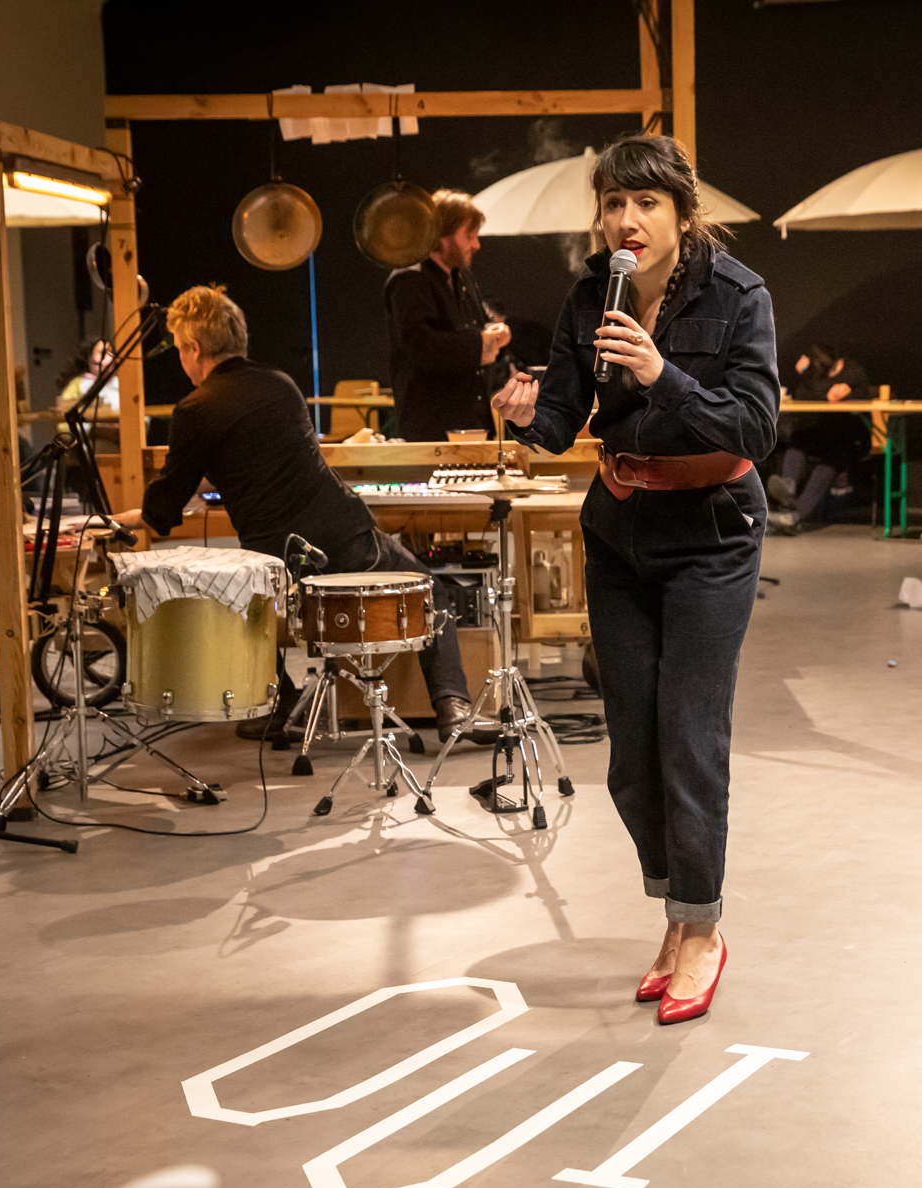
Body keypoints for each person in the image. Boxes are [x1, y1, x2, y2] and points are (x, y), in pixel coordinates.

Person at [492, 134, 779, 1025]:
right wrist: (521, 410)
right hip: (619, 530)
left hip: (711, 533)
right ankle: (677, 912)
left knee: (689, 735)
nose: (627, 219)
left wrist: (662, 375)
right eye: (614, 202)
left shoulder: (738, 296)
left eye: (647, 203)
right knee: (631, 752)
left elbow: (757, 427)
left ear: (682, 215)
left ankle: (702, 929)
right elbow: (561, 420)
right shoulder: (591, 296)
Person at [110, 286, 473, 743]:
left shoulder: (195, 409)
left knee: (244, 604)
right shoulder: (281, 386)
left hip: (276, 560)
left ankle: (278, 704)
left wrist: (137, 516)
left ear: (194, 349)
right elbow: (256, 455)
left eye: (181, 349)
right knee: (431, 591)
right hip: (343, 536)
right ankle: (453, 707)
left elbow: (168, 501)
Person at [383, 190, 512, 443]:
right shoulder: (409, 279)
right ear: (441, 234)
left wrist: (496, 333)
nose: (476, 245)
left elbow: (474, 327)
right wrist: (482, 341)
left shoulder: (461, 275)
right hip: (432, 428)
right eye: (469, 236)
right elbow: (422, 346)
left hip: (474, 420)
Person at [768, 343, 873, 533]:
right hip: (826, 433)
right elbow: (801, 395)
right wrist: (805, 374)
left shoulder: (853, 373)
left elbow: (865, 397)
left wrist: (848, 395)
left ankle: (795, 516)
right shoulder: (814, 374)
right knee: (799, 439)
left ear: (835, 363)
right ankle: (788, 491)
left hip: (852, 437)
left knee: (831, 459)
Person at [55, 339, 119, 416]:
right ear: (89, 359)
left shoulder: (121, 383)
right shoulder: (78, 385)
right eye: (103, 353)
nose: (110, 358)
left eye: (111, 352)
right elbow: (65, 416)